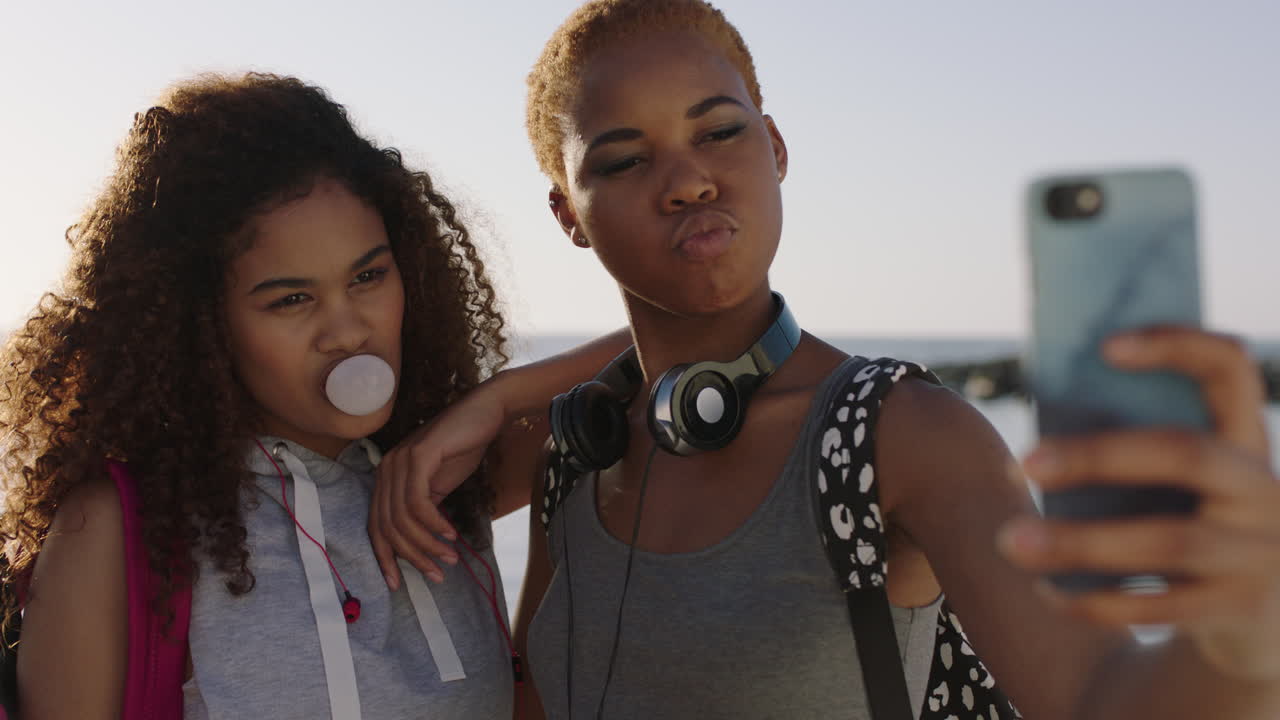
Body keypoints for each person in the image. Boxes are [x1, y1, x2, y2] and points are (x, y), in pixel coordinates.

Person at [369, 2, 1280, 719]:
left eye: (719, 132)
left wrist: (1245, 645)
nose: (687, 179)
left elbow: (1096, 699)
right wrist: (496, 401)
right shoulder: (577, 444)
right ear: (568, 214)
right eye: (623, 159)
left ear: (776, 148)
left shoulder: (904, 435)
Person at [0, 72, 620, 719]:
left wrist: (495, 399)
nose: (349, 330)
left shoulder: (445, 478)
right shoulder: (116, 530)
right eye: (292, 299)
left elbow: (691, 347)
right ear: (202, 323)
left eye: (368, 276)